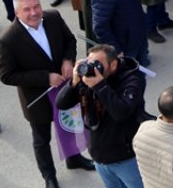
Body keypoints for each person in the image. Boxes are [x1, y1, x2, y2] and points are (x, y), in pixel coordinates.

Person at [0, 0, 95, 186]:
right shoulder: (7, 40)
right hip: (38, 98)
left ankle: (74, 159)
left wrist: (68, 60)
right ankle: (49, 176)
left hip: (65, 88)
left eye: (36, 6)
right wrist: (45, 77)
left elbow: (69, 40)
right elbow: (6, 75)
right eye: (27, 9)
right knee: (41, 140)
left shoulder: (53, 17)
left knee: (69, 127)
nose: (34, 12)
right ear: (17, 13)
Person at [55, 43, 147, 188]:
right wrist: (74, 82)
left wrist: (100, 86)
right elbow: (61, 104)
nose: (93, 68)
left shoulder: (131, 82)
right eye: (90, 63)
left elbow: (120, 113)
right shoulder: (89, 80)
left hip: (125, 160)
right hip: (100, 158)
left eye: (98, 64)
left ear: (113, 65)